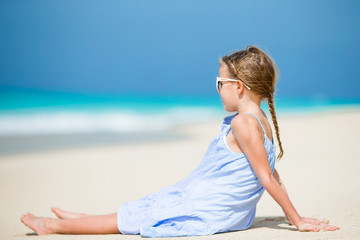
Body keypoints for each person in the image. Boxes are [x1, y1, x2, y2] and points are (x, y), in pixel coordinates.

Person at [21, 45, 340, 237]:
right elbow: (273, 173)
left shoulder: (244, 124)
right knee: (148, 205)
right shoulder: (261, 122)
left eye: (220, 82)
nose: (217, 89)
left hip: (212, 207)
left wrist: (296, 220)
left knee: (137, 218)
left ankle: (53, 227)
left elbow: (266, 177)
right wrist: (290, 214)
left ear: (238, 87)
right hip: (218, 202)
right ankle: (80, 218)